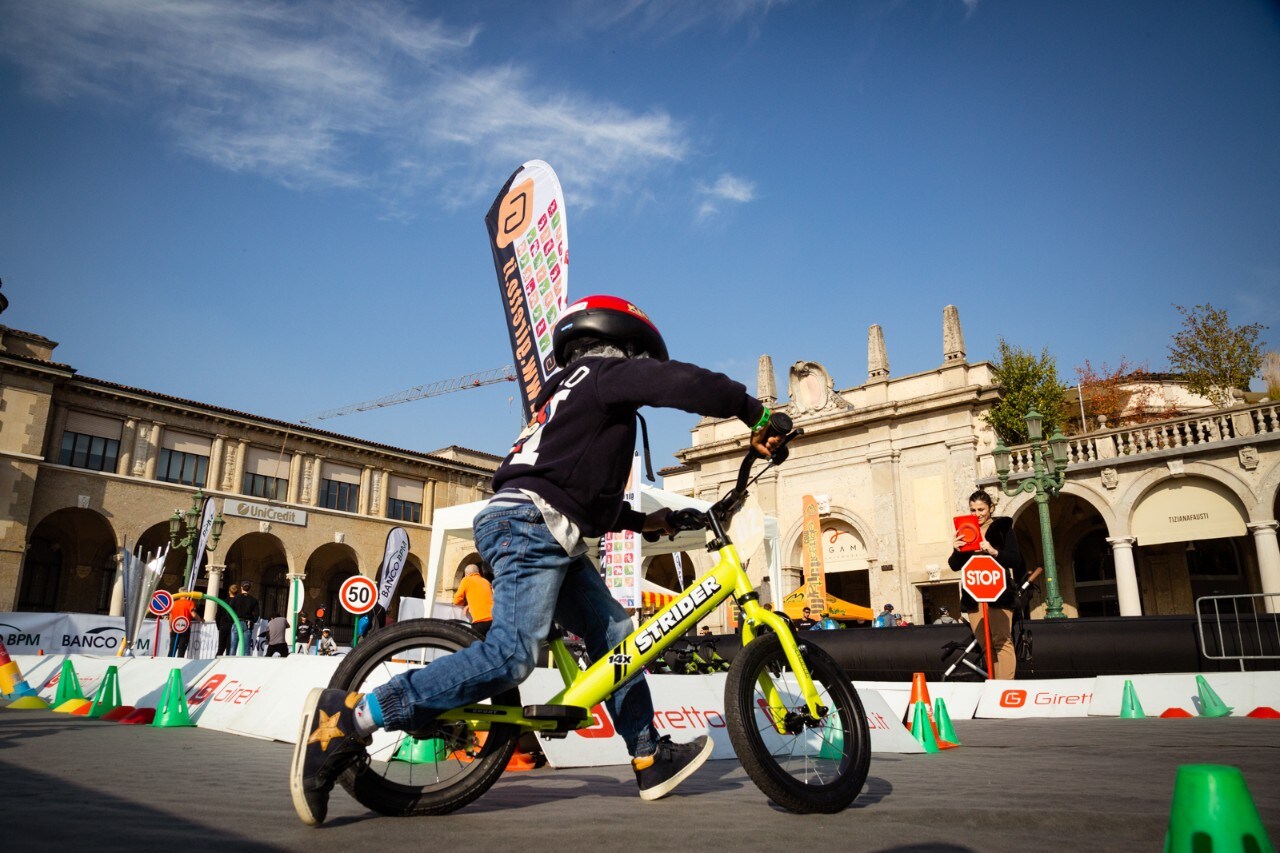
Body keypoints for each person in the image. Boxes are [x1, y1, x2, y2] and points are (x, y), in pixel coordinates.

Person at [291, 293, 784, 826]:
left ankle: (649, 756)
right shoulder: (604, 374)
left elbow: (579, 495)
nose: (646, 371)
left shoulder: (568, 395)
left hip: (539, 523)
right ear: (628, 348)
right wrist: (755, 414)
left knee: (616, 633)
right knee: (511, 656)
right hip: (530, 525)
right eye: (643, 360)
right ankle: (353, 717)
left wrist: (648, 522)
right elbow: (684, 384)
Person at [948, 489, 1025, 680]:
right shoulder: (965, 530)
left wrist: (993, 551)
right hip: (973, 596)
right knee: (985, 644)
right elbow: (954, 565)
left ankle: (1004, 689)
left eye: (981, 509)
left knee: (1002, 640)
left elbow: (1016, 560)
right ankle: (993, 684)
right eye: (973, 509)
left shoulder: (1002, 528)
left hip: (999, 594)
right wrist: (957, 550)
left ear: (990, 508)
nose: (977, 514)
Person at [453, 564, 494, 640]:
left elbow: (457, 600)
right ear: (478, 572)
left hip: (480, 622)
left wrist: (464, 604)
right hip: (494, 620)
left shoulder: (466, 580)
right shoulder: (486, 582)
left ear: (466, 574)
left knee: (470, 645)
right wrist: (470, 604)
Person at [231, 581, 260, 656]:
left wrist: (232, 620)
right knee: (246, 649)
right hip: (248, 623)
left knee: (233, 647)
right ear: (249, 589)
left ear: (241, 588)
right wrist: (252, 620)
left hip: (237, 622)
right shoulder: (253, 600)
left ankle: (229, 664)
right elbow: (257, 615)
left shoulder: (235, 598)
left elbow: (230, 610)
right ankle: (244, 665)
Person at [216, 583, 239, 655]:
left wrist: (219, 626)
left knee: (221, 648)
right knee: (229, 648)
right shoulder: (238, 603)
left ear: (229, 591)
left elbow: (218, 615)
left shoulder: (223, 602)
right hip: (233, 626)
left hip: (223, 625)